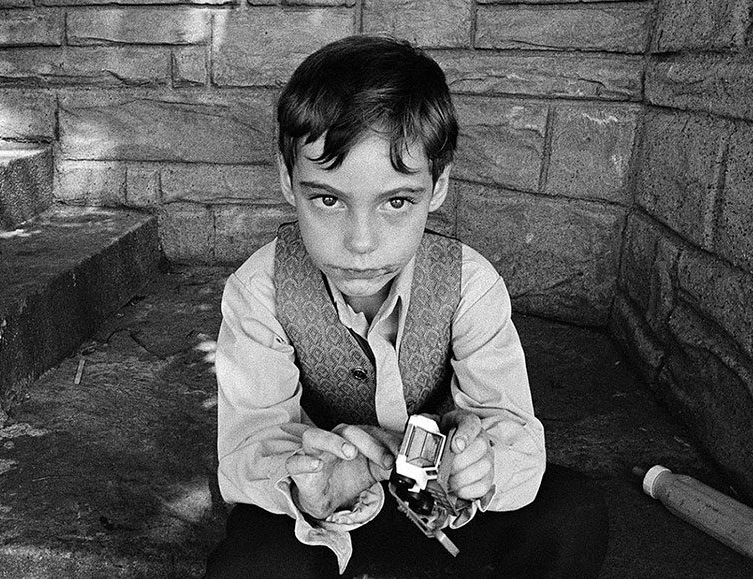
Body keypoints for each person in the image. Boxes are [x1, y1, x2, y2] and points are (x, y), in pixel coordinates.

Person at [204, 35, 608, 579]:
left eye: (396, 201)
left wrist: (478, 469)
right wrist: (308, 483)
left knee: (572, 514)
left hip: (446, 514)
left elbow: (511, 426)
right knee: (254, 562)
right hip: (330, 521)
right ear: (287, 181)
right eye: (328, 199)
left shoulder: (471, 286)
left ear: (437, 187)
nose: (362, 242)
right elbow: (248, 444)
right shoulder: (260, 291)